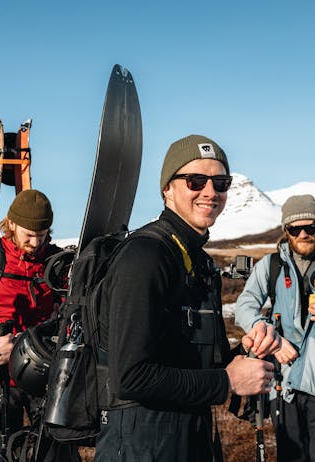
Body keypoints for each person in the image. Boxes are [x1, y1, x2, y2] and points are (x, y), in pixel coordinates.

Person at [94, 134, 281, 462]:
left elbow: (203, 364)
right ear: (167, 188)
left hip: (192, 437)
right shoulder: (145, 256)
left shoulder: (201, 262)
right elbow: (131, 377)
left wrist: (247, 351)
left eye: (221, 182)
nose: (210, 192)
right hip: (141, 444)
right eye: (195, 181)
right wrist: (226, 382)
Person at [235, 194, 315, 462]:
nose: (303, 234)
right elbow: (245, 307)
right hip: (284, 385)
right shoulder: (270, 266)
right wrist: (271, 337)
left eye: (311, 227)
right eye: (295, 229)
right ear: (286, 231)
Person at [0, 189, 77, 462]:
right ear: (11, 224)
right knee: (5, 454)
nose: (36, 242)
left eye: (43, 234)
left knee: (54, 453)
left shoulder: (57, 263)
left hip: (46, 377)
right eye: (29, 234)